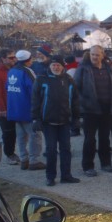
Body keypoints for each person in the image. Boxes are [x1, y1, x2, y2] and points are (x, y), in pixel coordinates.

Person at [31, 55, 81, 186]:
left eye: (58, 65)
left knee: (66, 149)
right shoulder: (42, 79)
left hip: (65, 121)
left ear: (62, 66)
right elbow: (35, 100)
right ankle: (50, 177)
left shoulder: (69, 80)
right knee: (51, 150)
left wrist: (76, 118)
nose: (55, 67)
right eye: (53, 65)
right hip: (48, 122)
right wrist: (35, 119)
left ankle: (66, 175)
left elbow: (75, 101)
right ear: (49, 66)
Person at [73, 45, 112, 177]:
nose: (94, 57)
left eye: (97, 54)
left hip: (106, 109)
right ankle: (88, 166)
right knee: (89, 139)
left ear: (102, 55)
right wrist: (82, 105)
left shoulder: (108, 68)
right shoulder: (83, 68)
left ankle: (106, 164)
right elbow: (75, 88)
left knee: (105, 138)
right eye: (92, 54)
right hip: (90, 110)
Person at [6, 50, 46, 171]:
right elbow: (35, 91)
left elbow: (7, 88)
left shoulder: (11, 71)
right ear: (28, 60)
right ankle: (34, 160)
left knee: (21, 136)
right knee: (35, 135)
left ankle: (24, 160)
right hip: (27, 110)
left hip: (14, 109)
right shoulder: (28, 72)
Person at [0, 48, 20, 165]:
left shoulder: (14, 70)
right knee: (8, 132)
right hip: (6, 108)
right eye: (11, 58)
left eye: (14, 57)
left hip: (17, 106)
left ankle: (16, 152)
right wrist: (2, 109)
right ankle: (9, 154)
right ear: (3, 59)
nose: (14, 59)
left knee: (18, 132)